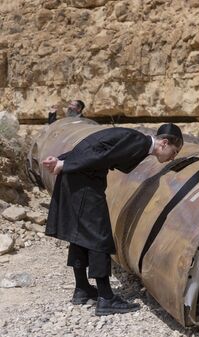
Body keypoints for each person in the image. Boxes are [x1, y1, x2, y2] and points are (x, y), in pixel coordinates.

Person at [43, 123, 183, 316]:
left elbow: (91, 145)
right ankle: (106, 298)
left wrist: (62, 159)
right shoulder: (139, 142)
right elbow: (101, 156)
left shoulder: (134, 139)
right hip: (84, 182)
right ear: (164, 143)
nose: (173, 157)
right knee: (99, 237)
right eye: (174, 152)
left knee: (80, 234)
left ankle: (82, 288)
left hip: (77, 178)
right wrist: (65, 164)